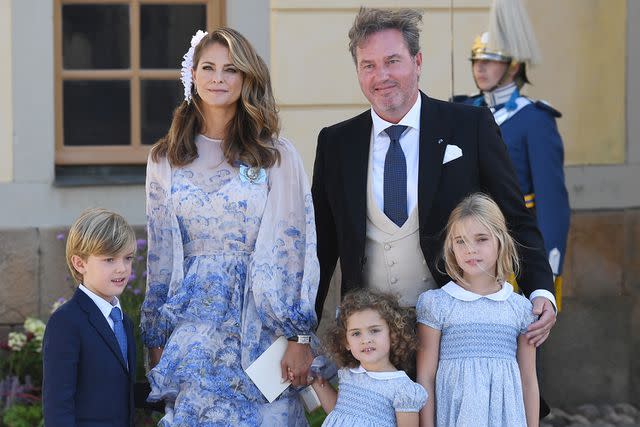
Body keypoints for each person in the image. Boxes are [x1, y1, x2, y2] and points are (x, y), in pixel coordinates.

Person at [312, 7, 556, 346]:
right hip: (372, 340)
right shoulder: (336, 143)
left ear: (418, 61)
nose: (381, 75)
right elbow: (322, 245)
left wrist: (540, 289)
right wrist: (300, 330)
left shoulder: (471, 126)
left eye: (393, 60)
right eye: (368, 65)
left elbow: (515, 218)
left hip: (458, 329)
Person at [140, 28, 319, 426]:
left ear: (246, 79)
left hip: (262, 328)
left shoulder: (276, 155)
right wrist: (156, 336)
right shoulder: (164, 158)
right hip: (193, 332)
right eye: (209, 67)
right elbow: (161, 253)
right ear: (192, 76)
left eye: (230, 69)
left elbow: (296, 248)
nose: (218, 78)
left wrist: (298, 336)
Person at [452, 0, 570, 308]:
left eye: (489, 61)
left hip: (513, 245)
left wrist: (548, 268)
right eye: (476, 60)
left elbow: (551, 201)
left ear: (514, 66)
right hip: (464, 248)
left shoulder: (535, 119)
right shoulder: (462, 111)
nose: (480, 68)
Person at [416, 193, 538, 427]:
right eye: (460, 241)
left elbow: (528, 380)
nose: (470, 249)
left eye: (481, 239)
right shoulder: (437, 304)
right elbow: (426, 377)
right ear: (450, 246)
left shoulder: (520, 309)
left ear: (500, 240)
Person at [43, 208, 137, 426]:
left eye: (128, 258)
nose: (122, 268)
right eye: (109, 259)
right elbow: (58, 406)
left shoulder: (124, 321)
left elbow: (119, 389)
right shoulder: (66, 322)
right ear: (80, 263)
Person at [312, 290, 427, 426]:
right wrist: (318, 384)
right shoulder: (348, 374)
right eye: (356, 333)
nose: (366, 340)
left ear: (393, 335)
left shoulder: (402, 389)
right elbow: (339, 415)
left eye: (374, 330)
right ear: (346, 342)